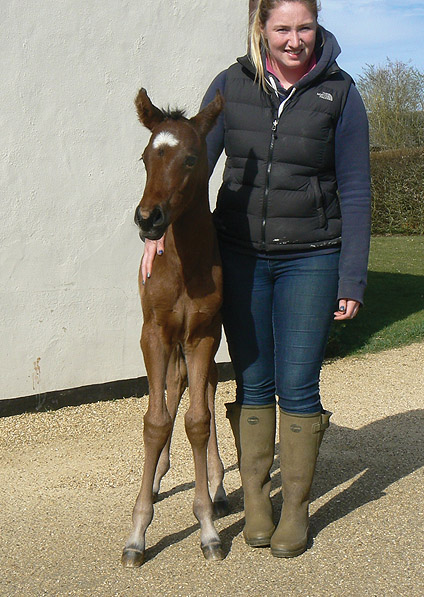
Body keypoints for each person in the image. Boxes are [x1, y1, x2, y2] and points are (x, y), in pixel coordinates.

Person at [142, 0, 371, 558]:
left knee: (298, 384)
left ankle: (294, 509)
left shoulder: (339, 92)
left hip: (312, 258)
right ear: (261, 28)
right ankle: (257, 500)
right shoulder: (230, 86)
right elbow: (189, 166)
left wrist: (352, 276)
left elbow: (357, 189)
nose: (296, 39)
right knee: (255, 381)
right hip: (240, 257)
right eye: (283, 28)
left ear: (317, 27)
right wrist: (157, 229)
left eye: (305, 27)